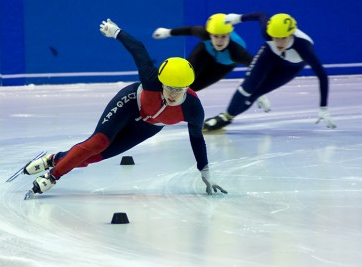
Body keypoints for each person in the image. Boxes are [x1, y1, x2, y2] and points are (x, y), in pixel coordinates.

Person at [22, 18, 227, 199]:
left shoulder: (193, 108)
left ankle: (53, 159)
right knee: (98, 143)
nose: (173, 94)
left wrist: (204, 170)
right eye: (169, 88)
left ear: (187, 87)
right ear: (161, 83)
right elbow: (138, 49)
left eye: (179, 90)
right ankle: (52, 176)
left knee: (94, 157)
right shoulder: (151, 79)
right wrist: (116, 32)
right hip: (130, 104)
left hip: (148, 127)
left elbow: (197, 138)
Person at [203, 12, 336, 131]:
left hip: (291, 67)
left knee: (256, 93)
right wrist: (238, 18)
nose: (278, 42)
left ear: (291, 35)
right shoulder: (267, 32)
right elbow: (261, 15)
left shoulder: (304, 47)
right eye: (275, 37)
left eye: (283, 38)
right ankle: (225, 117)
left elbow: (322, 76)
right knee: (247, 88)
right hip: (269, 55)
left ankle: (229, 116)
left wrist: (323, 107)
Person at [152, 13, 271, 112]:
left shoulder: (236, 51)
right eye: (216, 36)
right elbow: (189, 30)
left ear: (229, 35)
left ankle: (170, 106)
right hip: (204, 52)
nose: (219, 41)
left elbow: (256, 69)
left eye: (223, 37)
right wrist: (167, 32)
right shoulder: (203, 33)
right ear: (209, 34)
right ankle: (159, 98)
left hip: (223, 66)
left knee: (193, 88)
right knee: (185, 78)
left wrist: (258, 93)